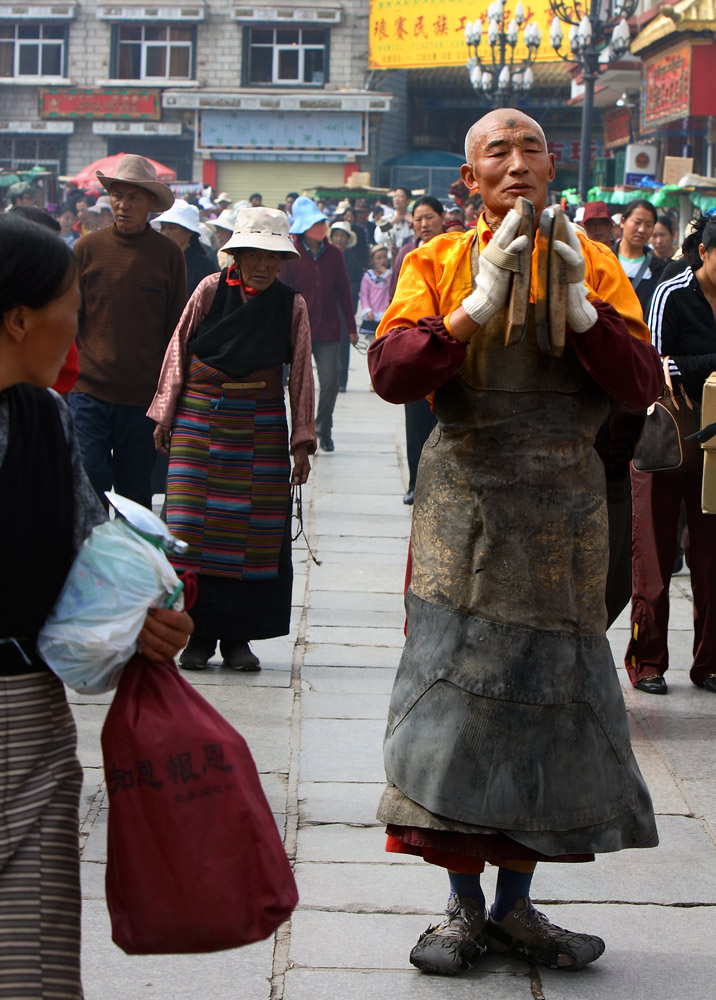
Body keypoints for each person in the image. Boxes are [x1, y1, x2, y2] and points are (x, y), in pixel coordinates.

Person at [367, 108, 663, 978]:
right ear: (470, 180)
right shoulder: (436, 262)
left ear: (552, 169)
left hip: (562, 517)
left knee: (549, 703)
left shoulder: (596, 262)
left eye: (533, 148)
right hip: (465, 511)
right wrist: (469, 313)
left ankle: (519, 907)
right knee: (455, 707)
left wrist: (578, 309)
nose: (518, 162)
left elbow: (641, 383)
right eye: (498, 150)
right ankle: (460, 910)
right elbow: (390, 373)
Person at [0, 214, 193, 999]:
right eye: (71, 314)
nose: (75, 337)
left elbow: (91, 554)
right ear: (18, 318)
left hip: (23, 723)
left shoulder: (41, 417)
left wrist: (145, 619)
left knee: (31, 956)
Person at [148, 208, 316, 672]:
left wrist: (301, 439)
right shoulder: (208, 289)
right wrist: (165, 412)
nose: (260, 265)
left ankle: (238, 639)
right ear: (236, 255)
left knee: (253, 534)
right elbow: (178, 348)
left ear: (281, 262)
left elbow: (301, 372)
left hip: (260, 423)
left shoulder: (291, 304)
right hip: (198, 421)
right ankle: (196, 637)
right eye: (251, 255)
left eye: (270, 257)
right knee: (186, 531)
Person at [626, 213, 716, 695]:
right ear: (703, 252)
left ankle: (709, 664)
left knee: (711, 559)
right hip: (667, 442)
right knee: (655, 558)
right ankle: (648, 661)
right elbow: (654, 366)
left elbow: (681, 365)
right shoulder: (671, 292)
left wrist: (693, 366)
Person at [68, 155, 187, 510]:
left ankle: (134, 563)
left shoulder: (168, 255)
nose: (123, 204)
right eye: (118, 195)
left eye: (134, 197)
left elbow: (177, 330)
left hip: (142, 398)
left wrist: (169, 397)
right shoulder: (86, 249)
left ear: (151, 204)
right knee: (89, 476)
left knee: (135, 490)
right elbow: (68, 319)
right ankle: (90, 559)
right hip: (89, 389)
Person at [279, 196, 358, 452]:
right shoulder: (290, 253)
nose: (320, 228)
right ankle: (301, 433)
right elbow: (283, 292)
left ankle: (323, 428)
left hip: (329, 328)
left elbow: (344, 291)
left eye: (321, 223)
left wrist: (351, 327)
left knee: (331, 381)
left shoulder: (334, 254)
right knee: (299, 386)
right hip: (297, 329)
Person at [386, 195, 445, 505]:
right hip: (414, 344)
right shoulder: (407, 255)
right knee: (416, 420)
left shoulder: (455, 249)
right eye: (419, 219)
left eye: (430, 217)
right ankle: (415, 482)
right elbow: (394, 298)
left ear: (442, 217)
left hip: (447, 344)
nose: (424, 224)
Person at [153, 199, 219, 295]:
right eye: (163, 227)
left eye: (172, 228)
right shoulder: (156, 260)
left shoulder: (203, 265)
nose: (165, 233)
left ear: (189, 232)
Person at [615, 199, 667, 316]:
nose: (642, 230)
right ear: (623, 221)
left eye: (648, 225)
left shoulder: (659, 269)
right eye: (637, 222)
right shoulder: (604, 259)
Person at [329, 220, 363, 392]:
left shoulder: (352, 261)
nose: (339, 239)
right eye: (337, 235)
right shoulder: (326, 257)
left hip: (344, 306)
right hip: (328, 305)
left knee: (343, 342)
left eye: (343, 235)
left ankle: (342, 380)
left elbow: (357, 282)